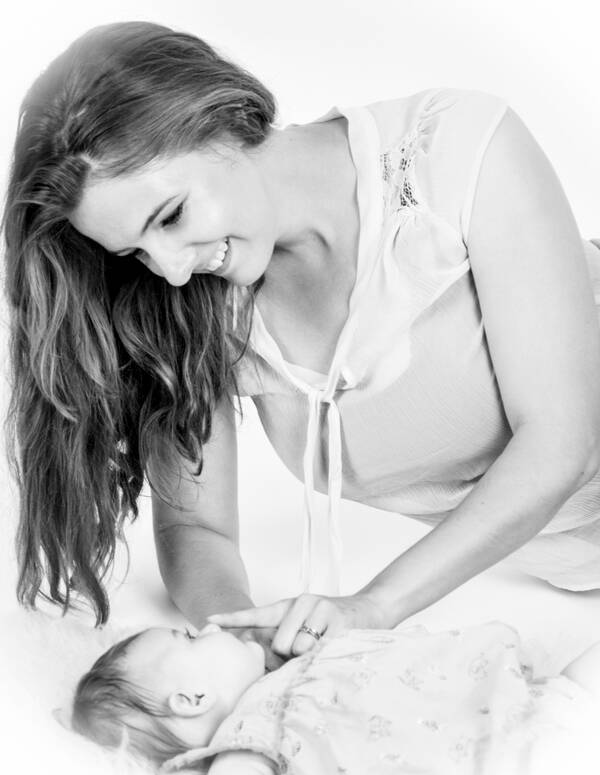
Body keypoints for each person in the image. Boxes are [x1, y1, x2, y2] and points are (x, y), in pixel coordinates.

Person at [5, 21, 600, 653]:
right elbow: (197, 531)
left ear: (224, 117)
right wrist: (250, 639)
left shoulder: (457, 151)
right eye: (138, 252)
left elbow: (558, 441)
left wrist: (375, 606)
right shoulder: (194, 309)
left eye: (172, 216)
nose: (172, 268)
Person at [70, 619, 600, 775]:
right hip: (505, 753)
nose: (208, 625)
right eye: (188, 637)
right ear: (191, 700)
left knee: (576, 690)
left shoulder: (287, 674)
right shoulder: (246, 742)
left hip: (508, 698)